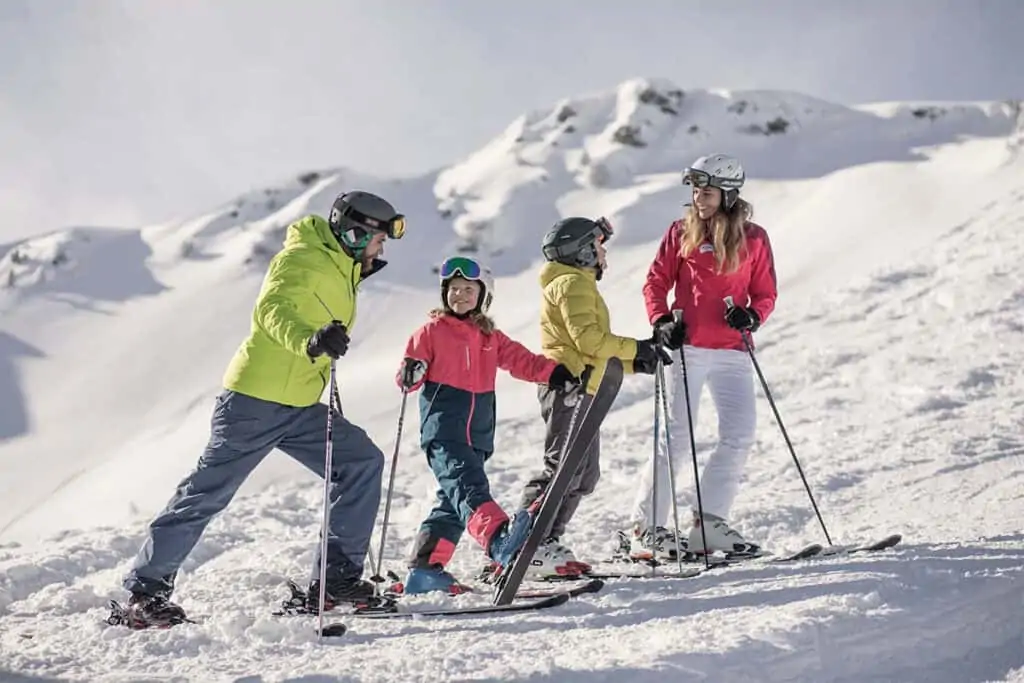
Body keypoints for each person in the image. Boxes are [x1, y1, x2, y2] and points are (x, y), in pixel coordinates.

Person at [120, 190, 407, 625]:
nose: (382, 248)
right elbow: (273, 310)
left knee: (360, 461)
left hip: (298, 405)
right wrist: (310, 340)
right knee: (207, 493)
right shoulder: (302, 259)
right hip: (253, 403)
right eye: (379, 239)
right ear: (354, 233)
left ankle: (334, 584)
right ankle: (144, 593)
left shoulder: (343, 267)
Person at [624, 153, 778, 561]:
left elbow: (766, 293)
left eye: (706, 191)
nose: (698, 198)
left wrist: (752, 315)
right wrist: (660, 321)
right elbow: (655, 282)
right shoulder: (681, 232)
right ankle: (646, 528)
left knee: (740, 434)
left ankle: (708, 525)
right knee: (675, 440)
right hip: (688, 347)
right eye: (695, 190)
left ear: (727, 194)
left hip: (733, 351)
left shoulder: (755, 238)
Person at [395, 255, 580, 594]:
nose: (459, 296)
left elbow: (521, 361)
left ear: (483, 296)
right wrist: (411, 371)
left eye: (468, 290)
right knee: (468, 489)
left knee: (452, 502)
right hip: (444, 432)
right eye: (453, 289)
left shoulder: (489, 337)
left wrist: (555, 372)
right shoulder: (432, 331)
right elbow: (411, 368)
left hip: (478, 436)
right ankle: (498, 540)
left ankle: (424, 570)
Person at [518, 216, 671, 577]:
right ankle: (526, 544)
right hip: (569, 387)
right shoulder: (572, 284)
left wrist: (637, 361)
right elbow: (589, 341)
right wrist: (638, 348)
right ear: (583, 250)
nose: (604, 254)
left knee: (583, 475)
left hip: (585, 387)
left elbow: (592, 349)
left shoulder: (576, 283)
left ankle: (546, 542)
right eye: (599, 246)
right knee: (563, 469)